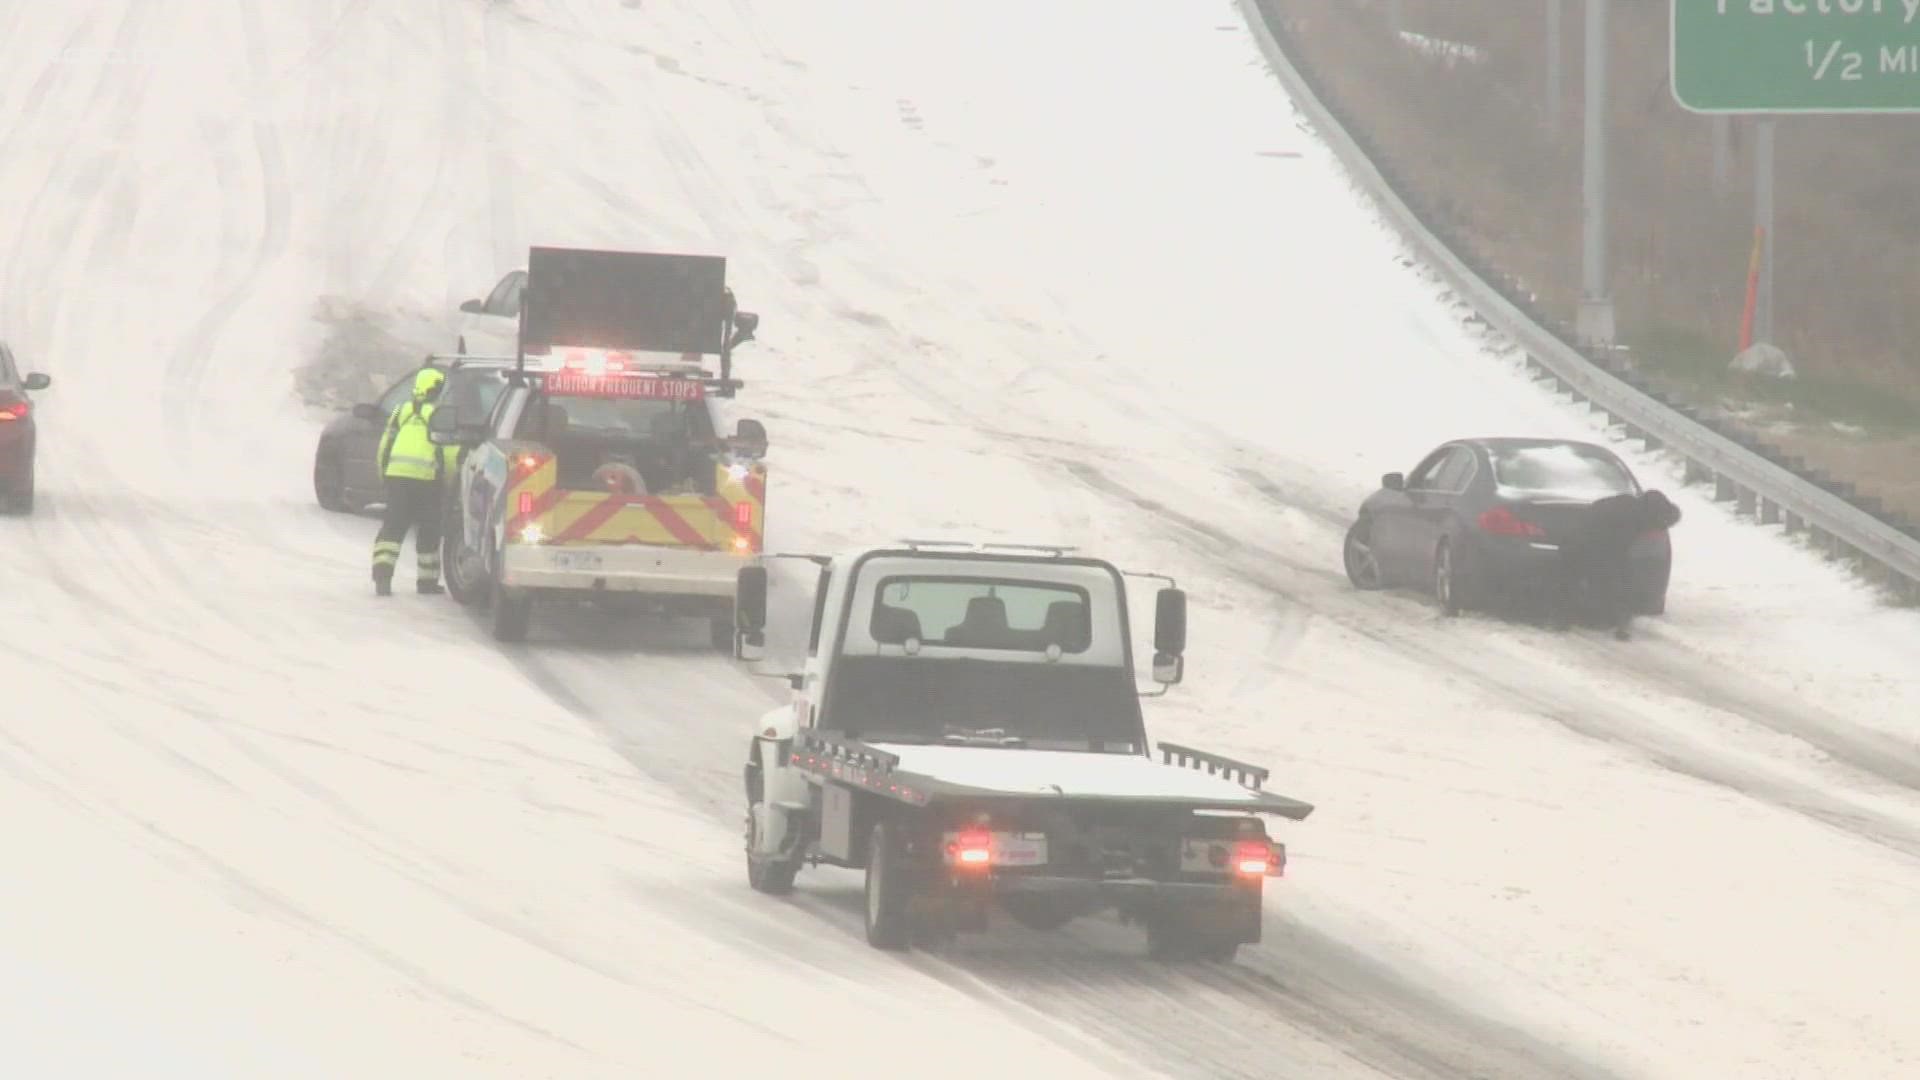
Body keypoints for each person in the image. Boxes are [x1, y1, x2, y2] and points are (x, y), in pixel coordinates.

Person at [370, 366, 457, 596]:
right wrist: (449, 481)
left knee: (392, 528)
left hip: (397, 479)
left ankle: (382, 578)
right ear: (436, 390)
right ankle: (426, 583)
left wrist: (383, 474)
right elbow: (448, 452)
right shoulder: (439, 415)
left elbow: (384, 446)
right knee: (429, 530)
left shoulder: (401, 412)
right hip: (427, 482)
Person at [1552, 490, 1682, 640]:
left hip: (1585, 540)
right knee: (1589, 579)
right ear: (1658, 516)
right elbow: (1615, 549)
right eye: (1662, 525)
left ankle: (1576, 618)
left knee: (1592, 579)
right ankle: (1568, 619)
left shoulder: (1637, 508)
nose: (1660, 528)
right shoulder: (1632, 518)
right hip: (1583, 544)